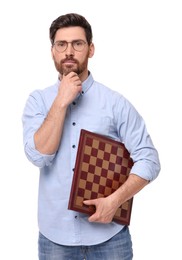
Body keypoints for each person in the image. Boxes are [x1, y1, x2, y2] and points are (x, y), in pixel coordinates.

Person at [22, 13, 161, 260]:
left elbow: (149, 160)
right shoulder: (39, 101)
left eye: (78, 43)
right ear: (52, 51)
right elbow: (38, 156)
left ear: (91, 49)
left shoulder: (115, 103)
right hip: (55, 240)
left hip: (110, 238)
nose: (69, 51)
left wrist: (115, 200)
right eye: (61, 44)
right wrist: (61, 101)